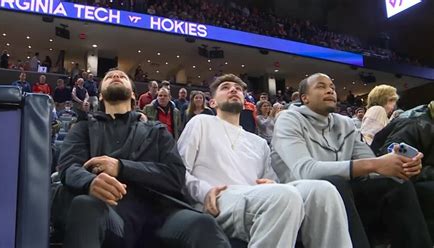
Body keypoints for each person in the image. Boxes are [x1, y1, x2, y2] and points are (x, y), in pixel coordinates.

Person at [58, 69, 230, 248]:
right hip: (109, 212)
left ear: (133, 94)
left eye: (122, 77)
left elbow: (175, 175)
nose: (116, 76)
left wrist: (121, 167)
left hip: (160, 214)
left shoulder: (157, 130)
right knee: (84, 206)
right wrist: (89, 182)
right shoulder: (83, 128)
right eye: (109, 77)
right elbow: (69, 166)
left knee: (203, 224)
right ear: (100, 96)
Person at [179, 74, 352, 248]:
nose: (233, 89)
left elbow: (270, 181)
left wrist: (272, 183)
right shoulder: (200, 122)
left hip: (254, 198)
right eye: (225, 87)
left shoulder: (259, 142)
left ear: (246, 102)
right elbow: (179, 170)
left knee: (323, 190)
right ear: (212, 102)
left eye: (238, 89)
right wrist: (205, 191)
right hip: (218, 199)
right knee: (284, 196)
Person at [271, 73, 432, 248]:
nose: (330, 90)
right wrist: (376, 164)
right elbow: (305, 170)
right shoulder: (288, 119)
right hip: (302, 197)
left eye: (332, 87)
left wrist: (399, 165)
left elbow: (371, 164)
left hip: (345, 193)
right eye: (321, 86)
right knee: (334, 183)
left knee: (396, 184)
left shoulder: (345, 123)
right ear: (305, 98)